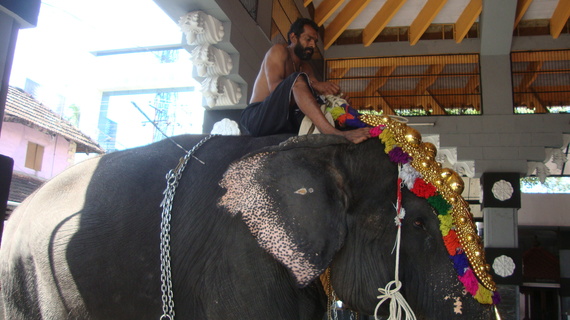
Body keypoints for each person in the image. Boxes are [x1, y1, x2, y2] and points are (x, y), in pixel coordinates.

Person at [240, 18, 370, 144]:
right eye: (308, 39)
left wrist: (337, 98)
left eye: (315, 41)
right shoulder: (279, 51)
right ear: (293, 37)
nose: (313, 45)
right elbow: (276, 88)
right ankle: (333, 133)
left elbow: (316, 97)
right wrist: (316, 86)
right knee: (297, 81)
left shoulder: (306, 67)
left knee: (324, 106)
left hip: (284, 119)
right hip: (258, 116)